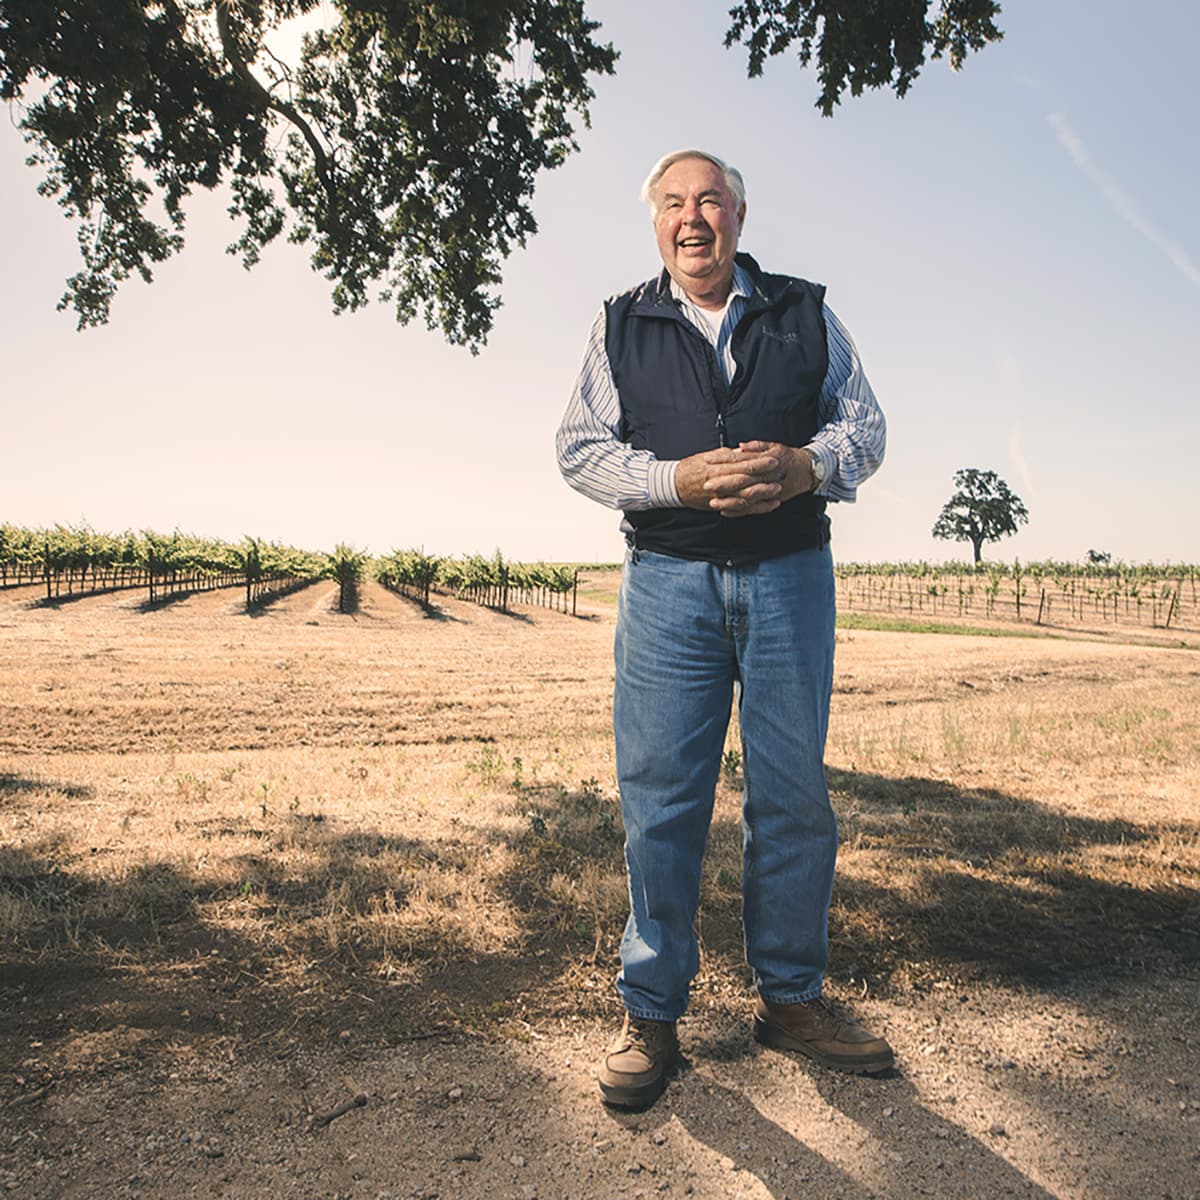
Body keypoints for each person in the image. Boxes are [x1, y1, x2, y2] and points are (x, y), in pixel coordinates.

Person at [556, 149, 891, 1109]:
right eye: (673, 203)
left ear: (739, 214)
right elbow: (581, 449)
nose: (691, 217)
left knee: (792, 799)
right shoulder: (620, 321)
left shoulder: (805, 311)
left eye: (709, 199)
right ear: (655, 222)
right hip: (668, 584)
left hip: (790, 580)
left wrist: (804, 467)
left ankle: (790, 1002)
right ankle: (652, 1013)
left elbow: (864, 425)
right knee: (661, 800)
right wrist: (678, 481)